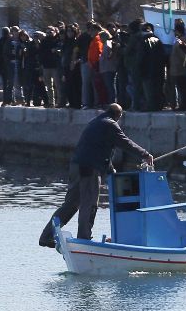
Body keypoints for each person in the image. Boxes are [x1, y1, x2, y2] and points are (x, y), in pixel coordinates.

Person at [39, 103, 153, 247]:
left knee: (71, 204)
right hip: (89, 169)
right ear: (119, 115)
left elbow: (100, 150)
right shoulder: (111, 125)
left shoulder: (96, 122)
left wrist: (111, 172)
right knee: (90, 203)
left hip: (76, 166)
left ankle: (46, 236)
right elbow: (125, 143)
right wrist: (145, 155)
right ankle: (84, 238)